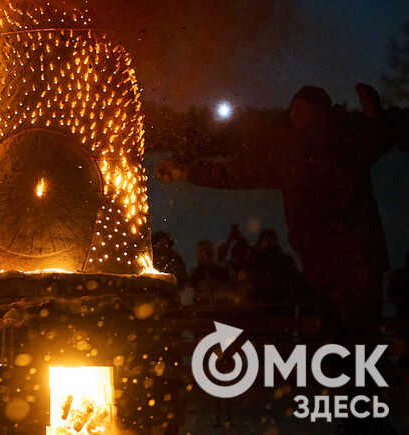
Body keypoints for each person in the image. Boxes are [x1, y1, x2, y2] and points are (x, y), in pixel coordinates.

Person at [158, 84, 394, 346]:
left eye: (303, 108)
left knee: (361, 334)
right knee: (334, 336)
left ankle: (359, 382)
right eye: (293, 108)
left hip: (357, 257)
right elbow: (239, 173)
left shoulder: (343, 141)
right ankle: (342, 380)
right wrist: (189, 171)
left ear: (321, 112)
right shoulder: (289, 157)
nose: (295, 114)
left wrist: (376, 116)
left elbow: (377, 140)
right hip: (319, 258)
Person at [187, 241, 231, 305]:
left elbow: (226, 280)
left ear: (212, 254)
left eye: (206, 252)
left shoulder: (222, 269)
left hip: (219, 304)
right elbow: (190, 284)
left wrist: (211, 267)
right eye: (201, 252)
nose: (203, 255)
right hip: (201, 304)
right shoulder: (195, 271)